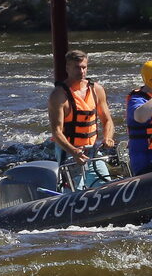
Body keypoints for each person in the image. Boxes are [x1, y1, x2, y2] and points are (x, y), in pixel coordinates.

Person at [48, 49, 116, 189]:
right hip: (69, 152)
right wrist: (74, 151)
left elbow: (107, 120)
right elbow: (56, 132)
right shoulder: (59, 96)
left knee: (105, 187)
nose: (81, 71)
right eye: (77, 68)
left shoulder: (97, 90)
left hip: (94, 151)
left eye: (84, 67)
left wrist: (108, 137)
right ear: (67, 68)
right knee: (73, 194)